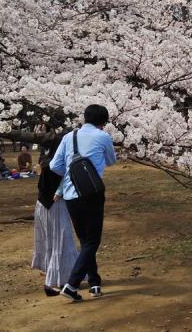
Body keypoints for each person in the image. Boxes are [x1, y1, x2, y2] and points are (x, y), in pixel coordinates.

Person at [50, 105, 117, 302]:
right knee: (92, 241)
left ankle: (95, 282)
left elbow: (55, 165)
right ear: (103, 121)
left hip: (71, 196)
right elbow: (112, 161)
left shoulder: (69, 137)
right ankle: (72, 285)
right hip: (92, 194)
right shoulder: (102, 136)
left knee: (86, 241)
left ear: (84, 118)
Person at [31, 136, 79, 297]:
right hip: (55, 205)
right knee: (61, 241)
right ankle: (54, 282)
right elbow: (65, 183)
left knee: (51, 242)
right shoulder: (60, 164)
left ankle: (57, 279)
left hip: (42, 205)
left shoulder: (46, 161)